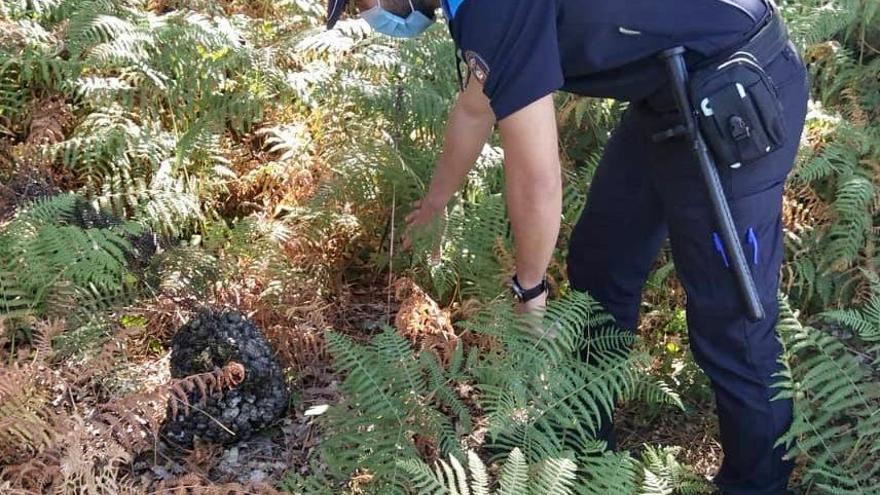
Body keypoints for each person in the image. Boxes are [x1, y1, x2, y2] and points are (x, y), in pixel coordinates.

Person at [326, 1, 808, 494]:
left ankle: (757, 484)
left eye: (362, 3)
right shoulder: (477, 10)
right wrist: (437, 199)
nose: (367, 15)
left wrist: (529, 289)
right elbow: (475, 106)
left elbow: (537, 178)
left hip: (735, 84)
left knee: (732, 321)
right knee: (602, 263)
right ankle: (589, 437)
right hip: (668, 89)